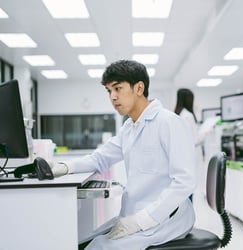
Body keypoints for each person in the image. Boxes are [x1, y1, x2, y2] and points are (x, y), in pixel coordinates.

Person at [53, 60, 196, 250]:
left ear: (139, 88)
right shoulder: (129, 127)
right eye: (109, 91)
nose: (113, 97)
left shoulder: (169, 122)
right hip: (136, 213)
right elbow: (100, 158)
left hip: (166, 217)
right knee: (82, 243)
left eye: (118, 88)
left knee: (97, 248)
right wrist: (65, 167)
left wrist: (141, 221)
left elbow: (185, 181)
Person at [174, 88, 204, 199]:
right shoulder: (188, 116)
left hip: (182, 155)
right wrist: (205, 132)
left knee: (185, 186)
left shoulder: (178, 114)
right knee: (190, 186)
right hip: (191, 155)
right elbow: (195, 139)